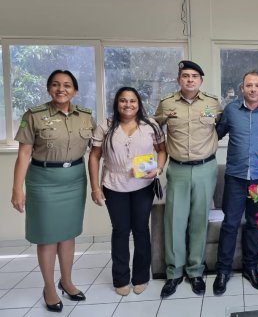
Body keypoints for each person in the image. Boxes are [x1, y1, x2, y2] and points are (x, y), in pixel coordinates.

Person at [11, 70, 94, 312]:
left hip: (75, 180)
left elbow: (99, 148)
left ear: (75, 91)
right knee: (47, 237)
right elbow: (24, 154)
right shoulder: (34, 115)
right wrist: (17, 189)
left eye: (67, 85)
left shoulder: (85, 116)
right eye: (56, 85)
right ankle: (49, 287)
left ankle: (66, 281)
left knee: (68, 235)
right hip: (44, 181)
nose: (61, 89)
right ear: (49, 89)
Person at [88, 87, 167, 296]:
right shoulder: (106, 126)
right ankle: (121, 278)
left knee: (141, 229)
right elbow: (94, 156)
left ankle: (141, 277)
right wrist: (95, 187)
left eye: (132, 101)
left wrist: (158, 169)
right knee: (121, 231)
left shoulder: (150, 125)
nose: (128, 104)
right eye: (123, 100)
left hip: (143, 186)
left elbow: (162, 150)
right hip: (114, 186)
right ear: (117, 103)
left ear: (139, 104)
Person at [212, 70, 258, 296]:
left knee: (255, 224)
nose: (253, 89)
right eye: (249, 85)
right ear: (242, 88)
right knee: (230, 224)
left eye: (257, 85)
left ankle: (250, 268)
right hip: (235, 176)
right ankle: (223, 271)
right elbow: (215, 134)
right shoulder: (231, 110)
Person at [154, 60, 222, 297]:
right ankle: (174, 273)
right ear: (179, 79)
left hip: (205, 168)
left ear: (201, 80)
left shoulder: (212, 103)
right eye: (185, 76)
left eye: (194, 76)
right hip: (178, 168)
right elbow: (153, 131)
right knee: (175, 221)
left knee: (199, 221)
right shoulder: (167, 103)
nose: (190, 80)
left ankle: (195, 272)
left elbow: (221, 127)